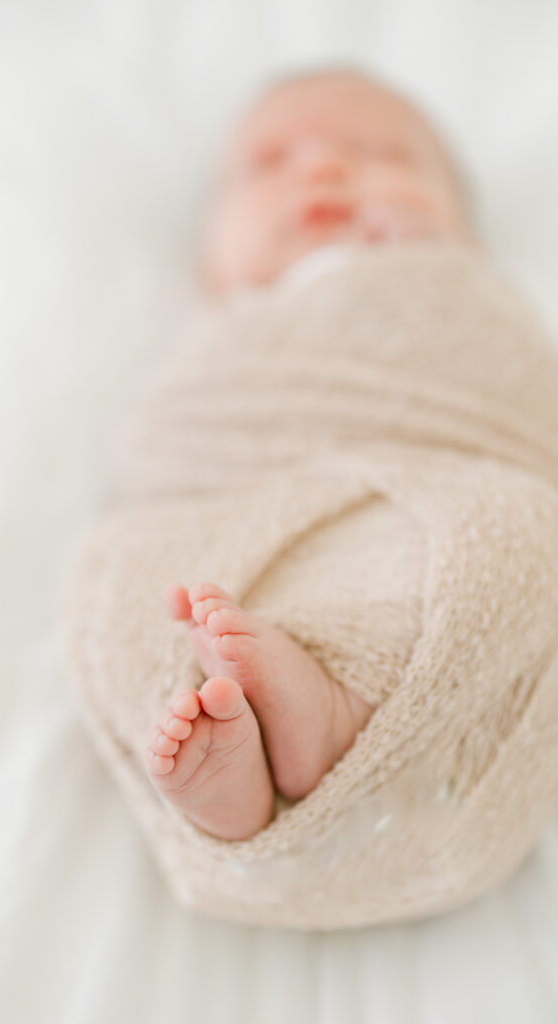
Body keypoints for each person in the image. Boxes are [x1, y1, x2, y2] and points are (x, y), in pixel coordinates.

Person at [143, 69, 479, 840]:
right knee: (122, 584)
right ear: (210, 260)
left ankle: (322, 710)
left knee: (504, 534)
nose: (322, 169)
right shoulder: (233, 333)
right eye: (268, 165)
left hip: (412, 508)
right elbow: (163, 439)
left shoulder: (458, 298)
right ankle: (230, 778)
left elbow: (512, 391)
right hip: (255, 513)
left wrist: (433, 274)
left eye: (378, 153)